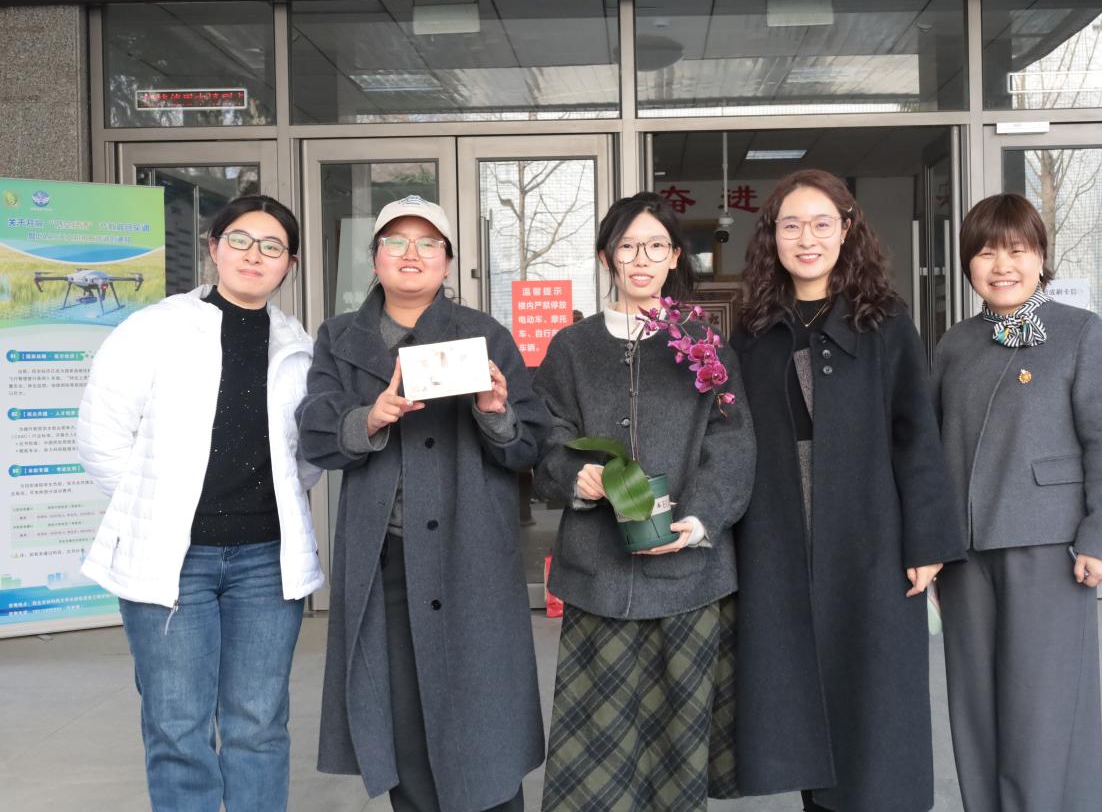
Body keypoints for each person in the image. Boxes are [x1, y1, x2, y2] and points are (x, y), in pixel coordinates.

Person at [297, 195, 549, 812]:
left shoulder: (484, 335)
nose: (411, 254)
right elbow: (317, 433)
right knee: (401, 717)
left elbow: (531, 444)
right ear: (374, 258)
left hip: (472, 556)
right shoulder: (339, 338)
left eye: (428, 243)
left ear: (448, 262)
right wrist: (370, 417)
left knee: (482, 714)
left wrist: (496, 414)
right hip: (385, 557)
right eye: (395, 241)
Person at [77, 194, 323, 812]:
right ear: (214, 248)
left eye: (272, 246)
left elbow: (307, 454)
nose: (254, 255)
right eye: (240, 240)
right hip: (173, 560)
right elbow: (102, 438)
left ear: (289, 264)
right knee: (177, 725)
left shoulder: (297, 344)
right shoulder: (154, 329)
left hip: (266, 561)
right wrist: (158, 513)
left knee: (258, 722)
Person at [730, 169, 964, 812]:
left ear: (847, 229)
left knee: (873, 693)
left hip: (871, 530)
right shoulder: (752, 328)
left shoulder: (885, 321)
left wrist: (927, 541)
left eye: (821, 223)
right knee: (800, 694)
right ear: (772, 236)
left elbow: (916, 434)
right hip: (778, 531)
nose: (806, 239)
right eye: (791, 225)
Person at [532, 191, 755, 812]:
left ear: (675, 256)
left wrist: (700, 518)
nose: (641, 259)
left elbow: (732, 443)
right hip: (598, 574)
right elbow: (546, 434)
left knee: (677, 744)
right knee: (595, 753)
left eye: (656, 246)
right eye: (627, 246)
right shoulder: (573, 348)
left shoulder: (704, 345)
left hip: (688, 575)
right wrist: (574, 476)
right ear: (607, 256)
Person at [933, 193, 1102, 812]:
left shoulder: (1080, 332)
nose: (1001, 266)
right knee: (974, 700)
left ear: (1041, 256)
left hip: (1050, 544)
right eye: (986, 252)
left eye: (1016, 250)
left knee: (1041, 703)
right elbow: (931, 449)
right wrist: (932, 544)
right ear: (968, 263)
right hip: (967, 549)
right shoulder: (954, 343)